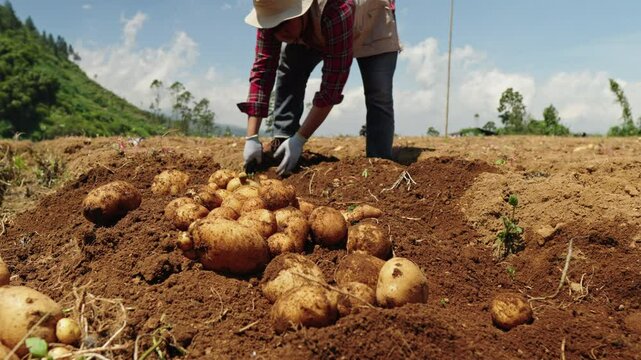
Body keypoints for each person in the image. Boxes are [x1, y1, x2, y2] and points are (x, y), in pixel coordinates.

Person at [238, 0, 400, 175]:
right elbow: (263, 71)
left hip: (372, 21)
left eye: (283, 23)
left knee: (379, 93)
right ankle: (283, 140)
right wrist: (251, 136)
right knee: (290, 66)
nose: (279, 34)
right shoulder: (271, 11)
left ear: (300, 11)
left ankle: (379, 166)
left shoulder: (335, 9)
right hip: (314, 29)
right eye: (273, 26)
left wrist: (300, 140)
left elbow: (332, 85)